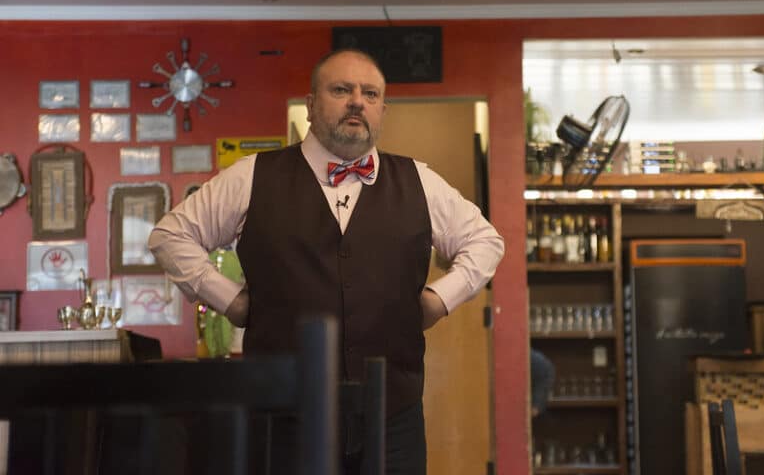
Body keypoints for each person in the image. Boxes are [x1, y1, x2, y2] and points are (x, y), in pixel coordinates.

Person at [148, 48, 505, 475]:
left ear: (382, 111)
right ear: (311, 105)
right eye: (341, 89)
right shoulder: (252, 176)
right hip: (284, 416)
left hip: (393, 419)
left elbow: (486, 242)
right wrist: (230, 301)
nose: (358, 101)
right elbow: (170, 236)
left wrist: (438, 298)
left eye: (370, 93)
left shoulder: (419, 181)